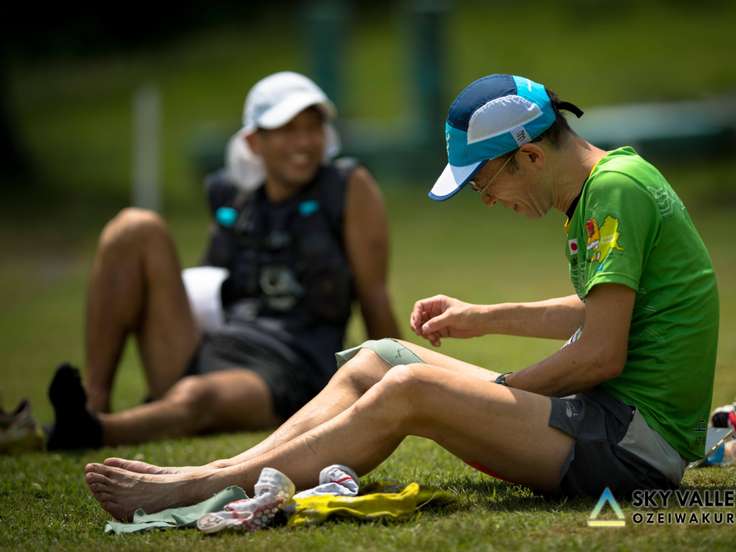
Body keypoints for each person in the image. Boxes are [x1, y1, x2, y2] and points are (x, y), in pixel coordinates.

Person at [84, 74, 719, 522]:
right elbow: (605, 313)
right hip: (606, 421)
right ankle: (225, 471)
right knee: (379, 356)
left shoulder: (613, 191)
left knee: (410, 387)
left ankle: (203, 484)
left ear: (527, 156)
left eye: (482, 183)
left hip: (634, 449)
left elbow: (602, 353)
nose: (487, 200)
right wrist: (480, 318)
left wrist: (502, 392)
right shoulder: (604, 188)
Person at [46, 71, 400, 450]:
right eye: (287, 129)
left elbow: (374, 297)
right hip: (215, 346)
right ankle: (93, 402)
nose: (304, 141)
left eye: (313, 127)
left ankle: (92, 432)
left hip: (292, 369)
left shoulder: (347, 187)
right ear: (254, 141)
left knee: (196, 396)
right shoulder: (232, 197)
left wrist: (399, 384)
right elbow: (209, 286)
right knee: (133, 227)